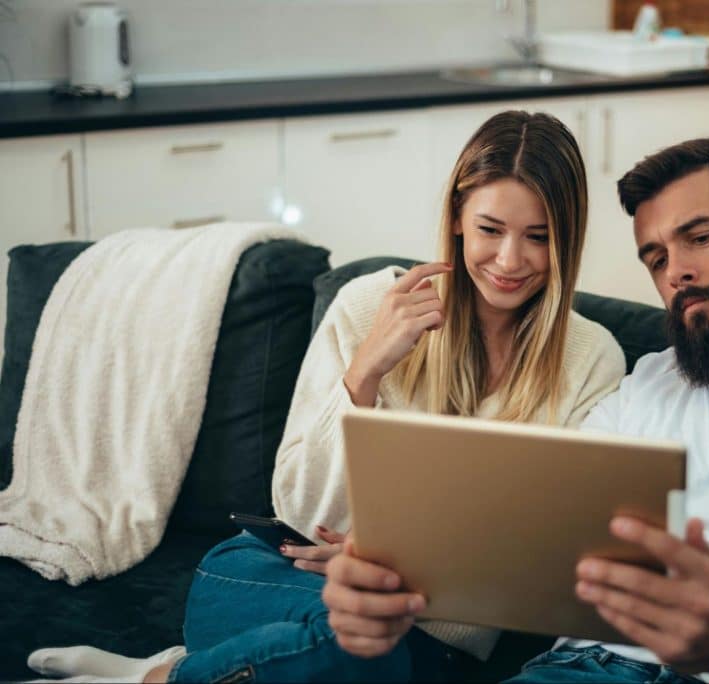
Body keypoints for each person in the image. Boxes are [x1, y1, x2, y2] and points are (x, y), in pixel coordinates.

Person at [323, 138, 709, 682]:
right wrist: (388, 579)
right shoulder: (645, 385)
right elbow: (526, 530)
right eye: (655, 258)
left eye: (700, 237)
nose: (676, 271)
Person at [26, 111, 626, 683]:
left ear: (566, 241)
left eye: (538, 237)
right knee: (356, 641)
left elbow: (542, 558)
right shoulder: (369, 306)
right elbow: (298, 504)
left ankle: (162, 675)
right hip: (270, 576)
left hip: (426, 637)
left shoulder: (591, 359)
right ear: (456, 223)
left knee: (369, 646)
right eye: (489, 230)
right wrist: (365, 372)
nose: (509, 260)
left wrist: (376, 571)